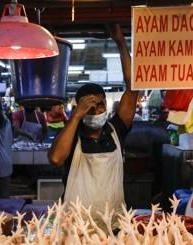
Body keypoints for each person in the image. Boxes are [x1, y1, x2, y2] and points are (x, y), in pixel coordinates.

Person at [48, 24, 138, 224]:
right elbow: (55, 158)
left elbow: (132, 88)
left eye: (100, 105)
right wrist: (76, 116)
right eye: (89, 107)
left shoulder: (116, 129)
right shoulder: (73, 134)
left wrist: (121, 43)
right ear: (79, 108)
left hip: (113, 222)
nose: (96, 111)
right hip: (75, 225)